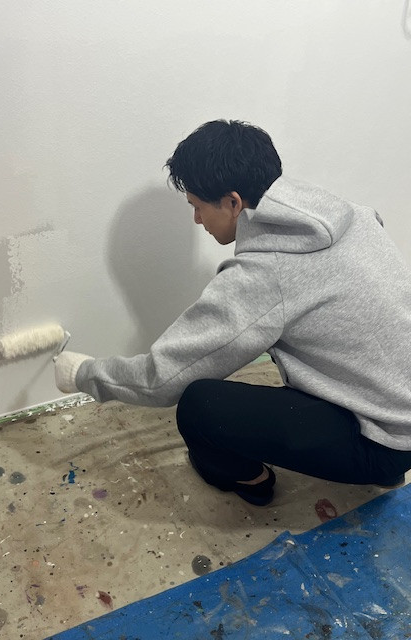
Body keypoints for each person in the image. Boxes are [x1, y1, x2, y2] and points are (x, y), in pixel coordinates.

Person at [55, 119, 411, 506]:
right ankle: (385, 461)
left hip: (384, 441)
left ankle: (253, 480)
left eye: (197, 207)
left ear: (233, 203)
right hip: (398, 408)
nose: (196, 219)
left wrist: (82, 374)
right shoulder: (352, 214)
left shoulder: (265, 274)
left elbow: (162, 381)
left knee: (200, 407)